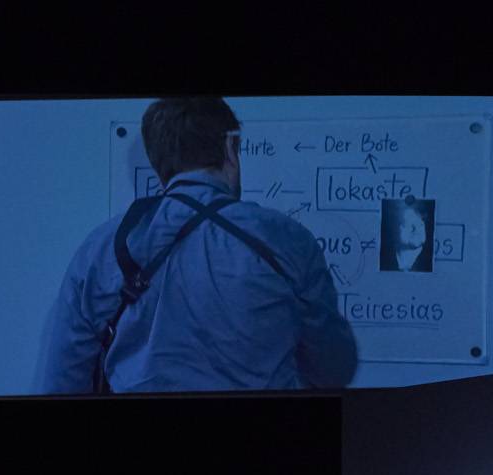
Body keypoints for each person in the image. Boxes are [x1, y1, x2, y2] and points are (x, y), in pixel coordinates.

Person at [32, 96, 357, 395]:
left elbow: (62, 383)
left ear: (158, 162)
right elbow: (334, 368)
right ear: (230, 147)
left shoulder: (102, 248)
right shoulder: (287, 238)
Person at [381, 197, 435, 272]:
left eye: (420, 224)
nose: (415, 229)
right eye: (408, 224)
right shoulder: (383, 259)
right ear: (394, 228)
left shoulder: (430, 261)